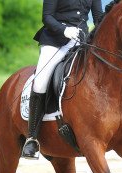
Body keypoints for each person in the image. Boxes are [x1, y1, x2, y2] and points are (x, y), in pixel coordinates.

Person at [22, 0, 103, 159]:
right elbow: (47, 17)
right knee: (40, 82)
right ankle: (31, 138)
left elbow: (99, 18)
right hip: (56, 41)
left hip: (82, 41)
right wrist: (64, 30)